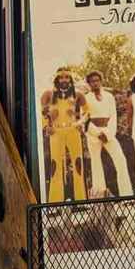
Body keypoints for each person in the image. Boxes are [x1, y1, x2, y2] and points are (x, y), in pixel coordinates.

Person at [83, 70, 133, 198]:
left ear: (101, 81)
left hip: (108, 132)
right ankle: (100, 194)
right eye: (92, 81)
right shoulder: (85, 98)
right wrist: (97, 132)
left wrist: (108, 133)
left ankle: (126, 195)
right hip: (93, 134)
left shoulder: (109, 96)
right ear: (89, 83)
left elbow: (113, 116)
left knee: (120, 159)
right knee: (96, 163)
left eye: (97, 80)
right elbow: (84, 118)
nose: (95, 83)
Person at [41, 68, 88, 202]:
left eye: (67, 77)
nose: (64, 80)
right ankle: (55, 202)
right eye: (61, 77)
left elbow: (87, 111)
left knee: (78, 164)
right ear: (56, 79)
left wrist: (80, 122)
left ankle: (81, 200)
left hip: (73, 131)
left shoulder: (78, 94)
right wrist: (46, 126)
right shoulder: (48, 94)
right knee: (55, 165)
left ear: (70, 79)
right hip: (56, 132)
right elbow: (42, 112)